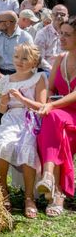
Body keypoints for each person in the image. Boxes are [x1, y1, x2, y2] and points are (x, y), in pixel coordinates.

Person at [0, 43, 46, 218]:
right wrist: (3, 100)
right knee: (4, 144)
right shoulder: (6, 80)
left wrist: (22, 99)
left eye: (25, 58)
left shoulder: (39, 78)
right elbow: (2, 111)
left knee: (27, 147)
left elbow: (41, 106)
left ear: (34, 62)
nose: (20, 61)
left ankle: (29, 197)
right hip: (10, 119)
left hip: (30, 119)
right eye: (17, 57)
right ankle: (3, 189)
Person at [34, 15, 76, 217]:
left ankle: (51, 180)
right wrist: (47, 101)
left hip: (70, 114)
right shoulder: (60, 59)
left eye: (67, 35)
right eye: (61, 33)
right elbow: (50, 88)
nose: (62, 38)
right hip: (60, 116)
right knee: (58, 128)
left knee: (53, 118)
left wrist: (50, 105)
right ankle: (56, 190)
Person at [0, 11, 34, 125]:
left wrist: (17, 76)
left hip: (18, 71)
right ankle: (0, 119)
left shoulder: (26, 37)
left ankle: (19, 119)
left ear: (9, 23)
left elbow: (30, 60)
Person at [34, 4, 69, 72]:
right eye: (56, 14)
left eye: (62, 14)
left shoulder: (71, 33)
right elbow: (39, 57)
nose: (59, 16)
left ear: (67, 16)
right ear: (51, 16)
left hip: (68, 70)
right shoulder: (42, 33)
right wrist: (53, 70)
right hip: (48, 71)